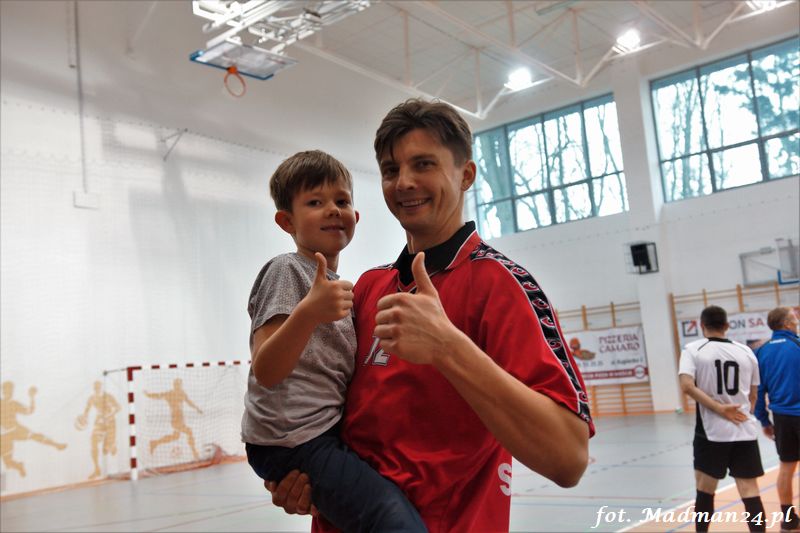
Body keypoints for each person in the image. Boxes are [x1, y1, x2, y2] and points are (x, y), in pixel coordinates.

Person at [269, 100, 594, 532]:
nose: (404, 182)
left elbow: (568, 459)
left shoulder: (501, 285)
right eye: (390, 170)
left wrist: (448, 348)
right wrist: (300, 473)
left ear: (466, 175)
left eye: (423, 164)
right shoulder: (365, 288)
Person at [242, 150, 426, 532]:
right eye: (315, 202)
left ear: (355, 216)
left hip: (322, 432)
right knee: (391, 519)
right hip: (293, 440)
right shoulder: (287, 270)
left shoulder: (343, 290)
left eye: (342, 201)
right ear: (286, 221)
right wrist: (307, 313)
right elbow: (266, 369)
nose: (332, 210)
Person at [678, 305, 766, 532]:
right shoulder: (746, 352)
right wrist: (741, 413)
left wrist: (719, 408)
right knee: (750, 491)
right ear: (727, 326)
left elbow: (686, 386)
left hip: (711, 432)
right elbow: (754, 394)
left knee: (705, 490)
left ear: (702, 325)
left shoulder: (693, 349)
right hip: (744, 429)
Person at [754, 306, 800, 531]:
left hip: (781, 418)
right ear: (786, 324)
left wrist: (764, 421)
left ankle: (789, 520)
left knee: (786, 468)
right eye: (794, 318)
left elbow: (758, 390)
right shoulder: (797, 345)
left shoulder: (761, 351)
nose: (797, 321)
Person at [1, 381, 67, 478]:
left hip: (15, 429)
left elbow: (29, 411)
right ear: (3, 391)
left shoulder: (14, 404)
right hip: (3, 436)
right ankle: (19, 466)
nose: (9, 392)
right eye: (7, 390)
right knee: (8, 462)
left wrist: (31, 397)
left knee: (34, 436)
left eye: (10, 390)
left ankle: (56, 445)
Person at [145, 378, 203, 459]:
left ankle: (154, 443)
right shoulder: (170, 394)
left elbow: (189, 402)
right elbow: (158, 396)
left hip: (181, 419)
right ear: (174, 385)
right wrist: (148, 394)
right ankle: (195, 454)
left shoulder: (182, 393)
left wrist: (197, 409)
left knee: (175, 436)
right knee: (189, 431)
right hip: (175, 419)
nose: (178, 386)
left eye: (180, 385)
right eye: (177, 385)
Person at [76, 380, 121, 479]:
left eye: (98, 387)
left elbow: (118, 407)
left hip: (110, 422)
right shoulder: (92, 398)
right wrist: (83, 418)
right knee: (93, 442)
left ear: (101, 387)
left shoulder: (108, 396)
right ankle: (97, 469)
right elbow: (86, 411)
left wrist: (108, 415)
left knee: (108, 450)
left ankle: (112, 446)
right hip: (99, 422)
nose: (96, 389)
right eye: (95, 387)